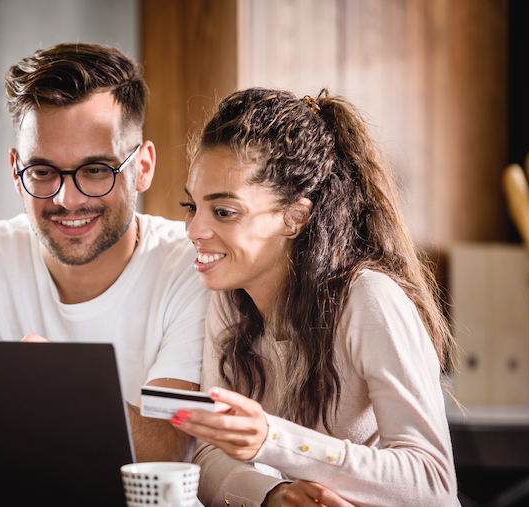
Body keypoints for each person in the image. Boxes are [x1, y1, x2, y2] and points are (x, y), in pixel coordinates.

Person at [171, 88, 459, 506]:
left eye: (223, 211)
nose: (194, 229)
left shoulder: (369, 301)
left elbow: (432, 483)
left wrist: (273, 439)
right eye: (191, 205)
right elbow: (210, 453)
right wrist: (273, 495)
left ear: (295, 217)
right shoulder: (229, 297)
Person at [0, 43, 209, 462]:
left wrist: (67, 382)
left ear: (143, 168)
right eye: (42, 171)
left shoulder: (192, 264)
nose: (66, 199)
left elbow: (166, 448)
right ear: (16, 170)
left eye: (96, 170)